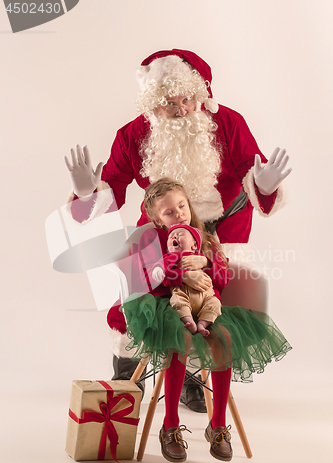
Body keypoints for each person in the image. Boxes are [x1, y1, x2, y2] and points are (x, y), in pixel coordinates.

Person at [64, 49, 292, 412]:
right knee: (136, 297)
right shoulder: (133, 135)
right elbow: (112, 192)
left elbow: (256, 176)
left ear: (200, 95)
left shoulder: (228, 123)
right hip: (159, 229)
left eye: (188, 99)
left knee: (209, 304)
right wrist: (86, 192)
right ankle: (128, 377)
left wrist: (263, 186)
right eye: (170, 103)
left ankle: (192, 379)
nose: (182, 109)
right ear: (153, 104)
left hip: (222, 230)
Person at [120, 178, 292, 463]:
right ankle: (171, 424)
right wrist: (181, 275)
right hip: (165, 306)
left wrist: (207, 264)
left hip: (206, 305)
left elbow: (223, 280)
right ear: (156, 218)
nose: (179, 215)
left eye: (181, 206)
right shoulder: (152, 239)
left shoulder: (206, 237)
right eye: (169, 212)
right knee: (181, 337)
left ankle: (218, 425)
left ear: (188, 204)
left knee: (223, 337)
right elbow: (148, 279)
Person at [153, 223, 224, 337]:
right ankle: (189, 321)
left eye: (180, 234)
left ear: (194, 245)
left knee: (215, 303)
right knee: (177, 301)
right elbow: (162, 266)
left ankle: (202, 324)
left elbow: (222, 279)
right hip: (183, 293)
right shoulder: (172, 257)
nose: (174, 237)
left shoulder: (201, 258)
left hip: (206, 296)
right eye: (171, 237)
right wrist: (158, 269)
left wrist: (206, 262)